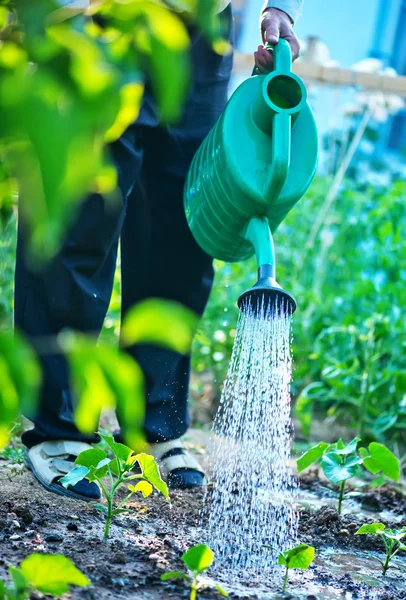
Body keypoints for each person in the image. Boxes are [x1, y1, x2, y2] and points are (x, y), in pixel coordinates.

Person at [15, 0, 304, 502]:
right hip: (98, 15)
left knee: (184, 222)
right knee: (82, 211)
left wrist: (279, 6)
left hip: (204, 25)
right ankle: (56, 423)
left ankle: (155, 425)